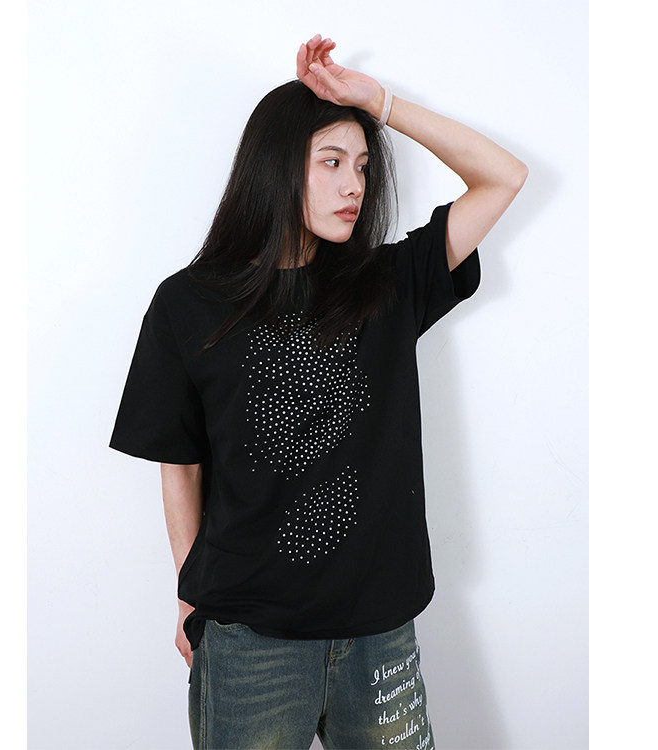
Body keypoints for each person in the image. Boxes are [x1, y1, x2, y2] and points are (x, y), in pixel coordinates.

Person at [110, 33, 527, 750]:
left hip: (380, 636)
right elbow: (179, 462)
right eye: (331, 162)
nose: (354, 185)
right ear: (275, 168)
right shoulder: (188, 304)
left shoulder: (388, 285)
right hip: (249, 639)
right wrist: (189, 592)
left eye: (362, 166)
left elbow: (503, 177)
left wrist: (378, 103)